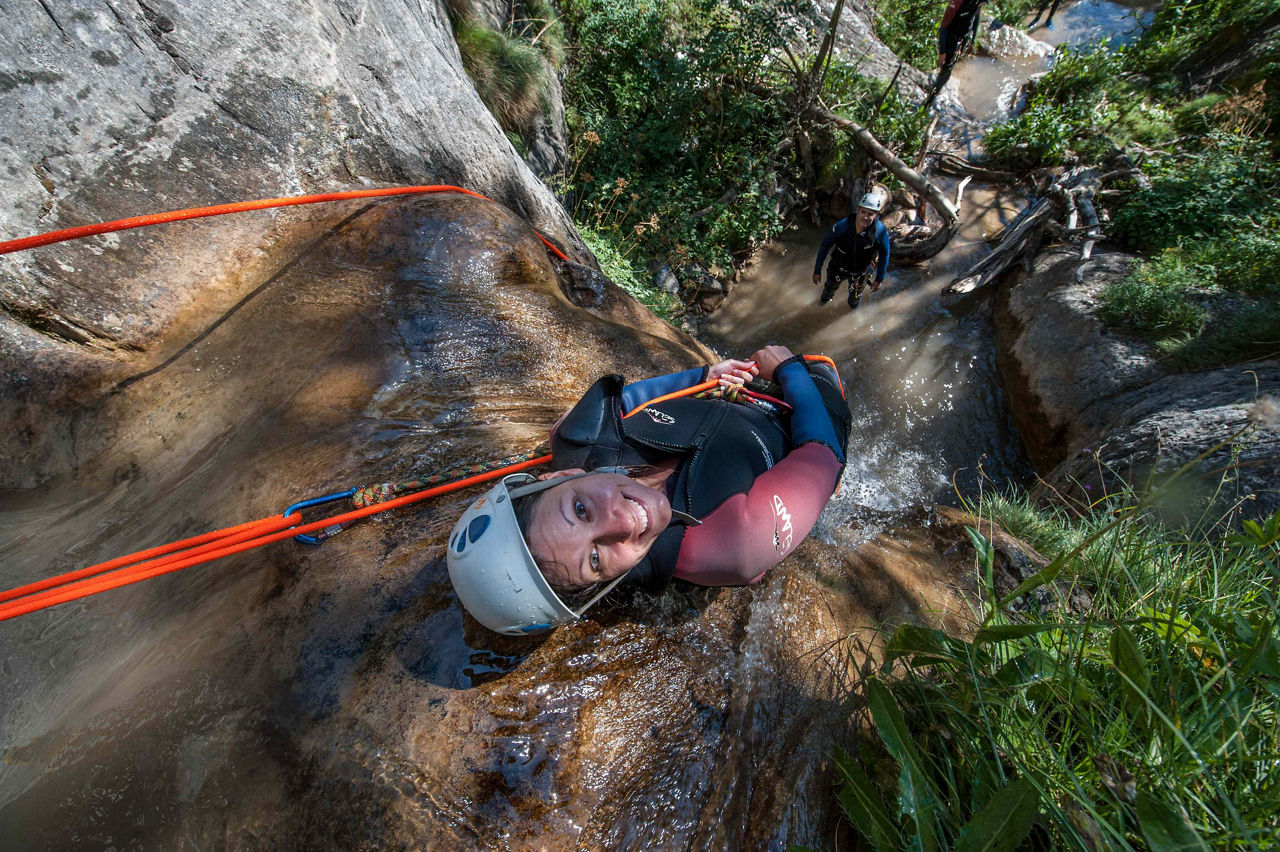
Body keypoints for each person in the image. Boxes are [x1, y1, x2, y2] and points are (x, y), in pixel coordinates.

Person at [447, 345, 852, 634]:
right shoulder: (733, 543)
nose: (623, 522)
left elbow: (628, 399)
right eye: (594, 559)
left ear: (555, 478)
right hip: (795, 424)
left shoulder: (578, 437)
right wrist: (792, 371)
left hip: (736, 399)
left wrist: (704, 377)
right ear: (598, 587)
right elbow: (825, 456)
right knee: (824, 376)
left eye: (581, 511)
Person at [811, 192, 891, 311]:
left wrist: (879, 279)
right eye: (863, 212)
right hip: (838, 267)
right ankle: (819, 308)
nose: (865, 217)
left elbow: (885, 254)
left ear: (876, 215)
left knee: (854, 301)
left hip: (861, 272)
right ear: (857, 209)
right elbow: (824, 246)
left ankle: (851, 317)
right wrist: (817, 270)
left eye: (870, 214)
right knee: (828, 291)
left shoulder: (879, 232)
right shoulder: (842, 226)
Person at [928, 0, 987, 103]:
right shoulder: (958, 1)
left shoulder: (978, 2)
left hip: (964, 38)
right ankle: (930, 99)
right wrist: (942, 52)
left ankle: (935, 91)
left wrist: (972, 41)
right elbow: (943, 28)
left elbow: (976, 18)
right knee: (947, 67)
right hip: (951, 36)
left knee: (949, 67)